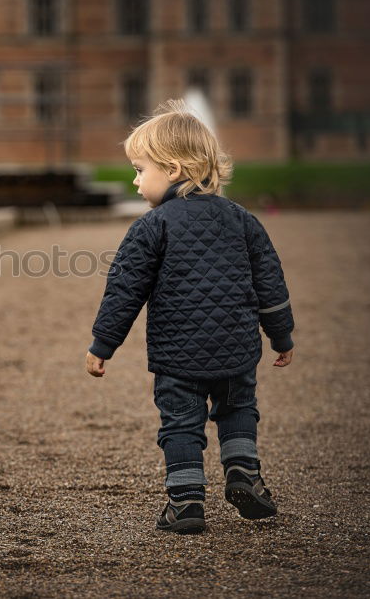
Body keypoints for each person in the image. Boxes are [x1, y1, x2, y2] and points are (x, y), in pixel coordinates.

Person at [84, 98, 295, 534]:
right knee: (238, 408)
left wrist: (103, 345)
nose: (135, 180)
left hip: (178, 355)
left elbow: (124, 292)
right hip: (237, 348)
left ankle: (185, 503)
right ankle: (243, 472)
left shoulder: (151, 227)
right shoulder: (243, 220)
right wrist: (282, 336)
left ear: (175, 171)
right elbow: (270, 285)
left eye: (141, 170)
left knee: (180, 423)